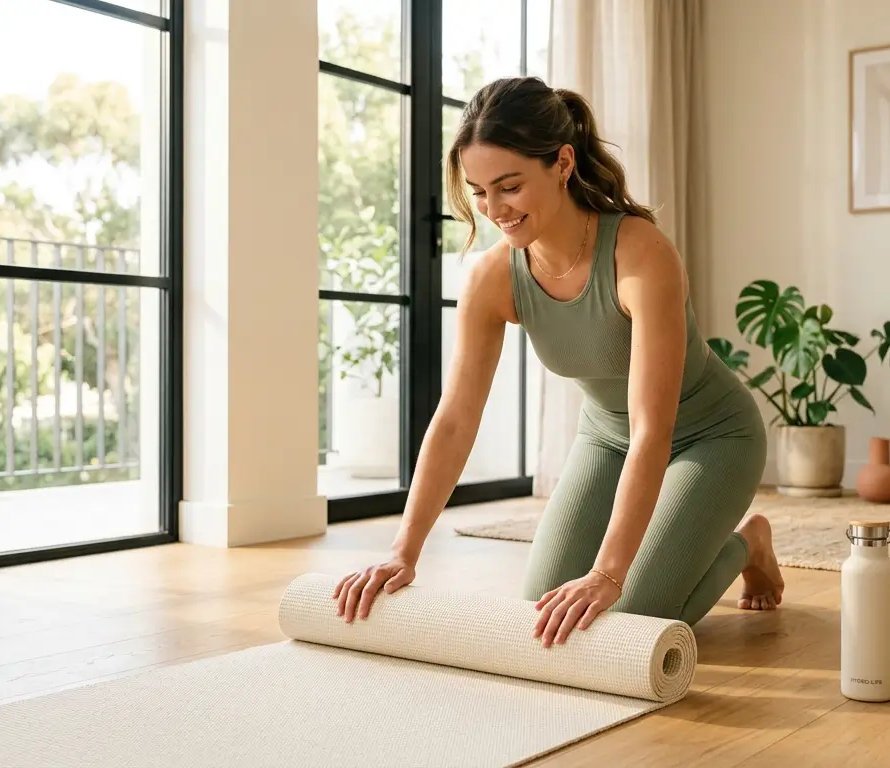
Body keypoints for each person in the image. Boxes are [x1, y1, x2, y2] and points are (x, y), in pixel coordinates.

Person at [332, 76, 781, 647]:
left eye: (509, 186)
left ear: (563, 163)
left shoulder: (640, 254)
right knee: (544, 616)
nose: (494, 210)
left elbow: (653, 429)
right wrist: (404, 550)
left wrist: (608, 572)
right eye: (478, 192)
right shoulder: (495, 279)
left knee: (631, 615)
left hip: (710, 437)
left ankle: (749, 542)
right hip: (605, 439)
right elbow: (455, 418)